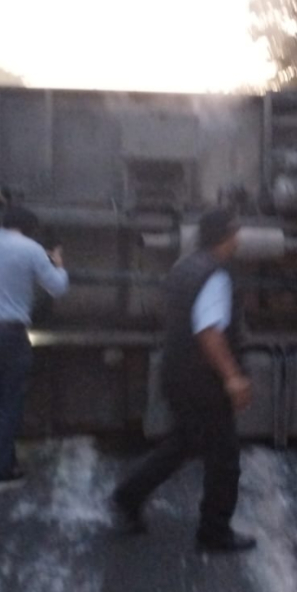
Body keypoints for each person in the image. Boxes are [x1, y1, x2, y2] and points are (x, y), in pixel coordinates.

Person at [112, 207, 256, 554]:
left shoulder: (184, 267)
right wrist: (233, 378)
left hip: (176, 372)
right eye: (235, 231)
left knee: (184, 443)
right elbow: (209, 333)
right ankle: (214, 532)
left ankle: (128, 496)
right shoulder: (216, 275)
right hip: (203, 381)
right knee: (224, 458)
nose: (239, 237)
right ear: (225, 235)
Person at [0, 186, 69, 495]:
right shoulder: (33, 251)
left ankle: (4, 463)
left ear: (5, 222)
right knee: (9, 404)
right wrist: (59, 262)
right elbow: (57, 288)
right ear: (30, 230)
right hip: (10, 337)